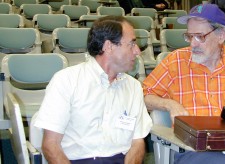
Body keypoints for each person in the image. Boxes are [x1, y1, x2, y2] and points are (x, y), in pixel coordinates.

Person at [143, 3, 225, 164]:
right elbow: (143, 95)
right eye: (189, 36)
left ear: (221, 35)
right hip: (195, 151)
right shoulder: (175, 62)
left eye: (200, 36)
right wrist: (169, 104)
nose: (193, 43)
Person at [34, 16, 153, 164]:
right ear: (108, 46)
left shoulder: (134, 87)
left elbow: (137, 143)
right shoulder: (67, 81)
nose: (137, 51)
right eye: (131, 44)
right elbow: (50, 145)